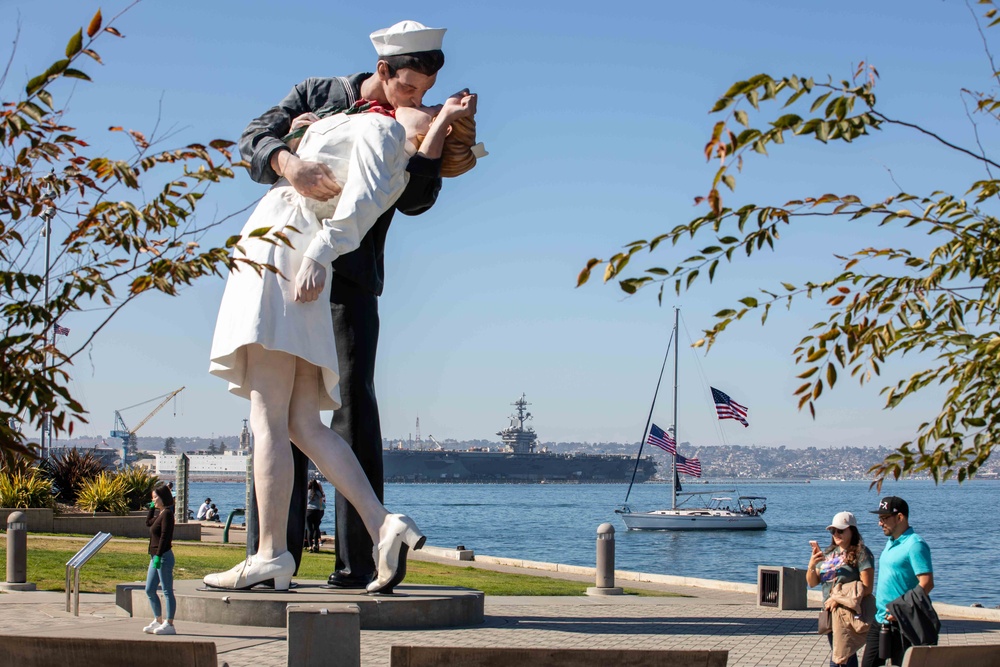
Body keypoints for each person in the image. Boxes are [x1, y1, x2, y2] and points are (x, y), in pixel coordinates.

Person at [205, 84, 479, 593]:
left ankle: (270, 554)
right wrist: (298, 139)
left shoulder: (388, 131)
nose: (425, 103)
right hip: (303, 253)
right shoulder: (353, 111)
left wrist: (434, 127)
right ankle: (381, 524)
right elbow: (259, 139)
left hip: (286, 246)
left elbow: (380, 195)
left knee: (269, 413)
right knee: (304, 423)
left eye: (427, 111)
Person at [860, 496, 934, 667]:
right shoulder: (890, 542)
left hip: (902, 622)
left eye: (884, 518)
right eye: (879, 519)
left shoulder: (915, 544)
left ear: (900, 517)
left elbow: (927, 583)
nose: (880, 523)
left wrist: (902, 609)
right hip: (880, 619)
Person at [807, 511, 875, 667]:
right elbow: (812, 582)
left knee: (842, 656)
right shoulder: (829, 553)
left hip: (847, 612)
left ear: (852, 530)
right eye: (833, 531)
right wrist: (811, 565)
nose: (836, 534)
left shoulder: (862, 553)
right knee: (842, 655)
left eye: (841, 530)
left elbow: (867, 588)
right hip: (829, 611)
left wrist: (838, 600)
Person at [143, 483, 176, 635]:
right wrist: (151, 507)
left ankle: (169, 623)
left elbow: (165, 536)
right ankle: (158, 619)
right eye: (153, 498)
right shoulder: (160, 514)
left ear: (163, 498)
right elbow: (148, 523)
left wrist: (158, 555)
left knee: (167, 590)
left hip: (163, 556)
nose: (154, 500)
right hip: (154, 557)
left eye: (155, 498)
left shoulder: (168, 514)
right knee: (149, 589)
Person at [306, 479, 326, 552]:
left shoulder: (307, 492)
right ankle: (316, 545)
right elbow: (321, 504)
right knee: (316, 528)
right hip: (317, 511)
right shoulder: (319, 493)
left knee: (309, 529)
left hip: (308, 511)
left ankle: (310, 546)